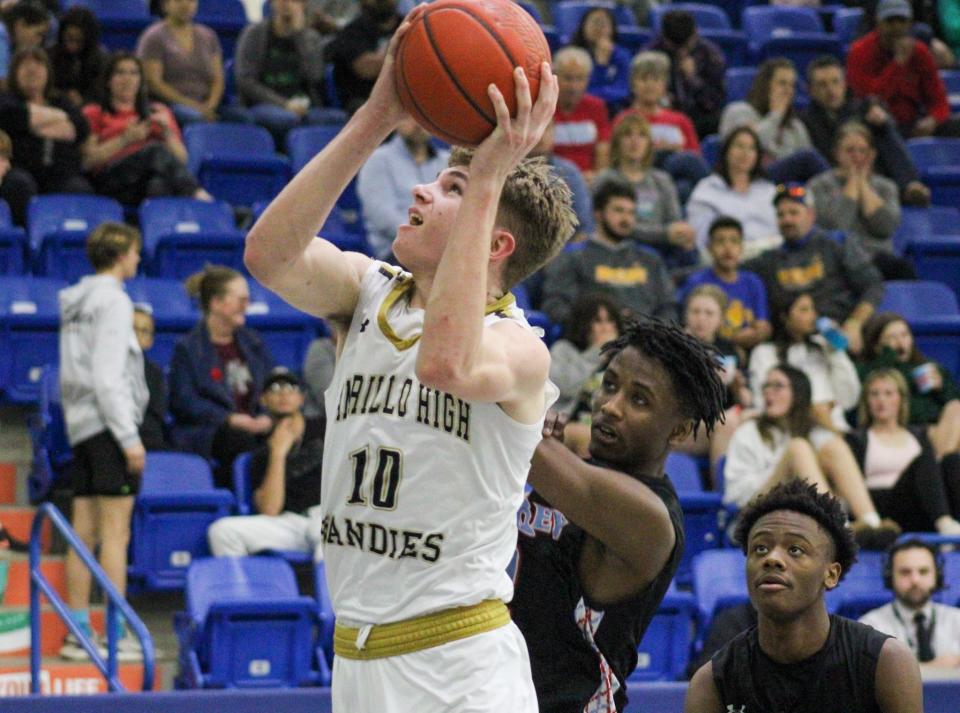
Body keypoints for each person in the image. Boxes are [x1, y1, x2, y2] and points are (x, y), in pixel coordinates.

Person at [243, 6, 575, 709]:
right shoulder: (367, 289)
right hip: (358, 658)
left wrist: (487, 177)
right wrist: (376, 116)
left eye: (451, 188)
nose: (423, 188)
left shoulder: (520, 351)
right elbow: (267, 256)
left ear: (497, 242)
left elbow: (445, 365)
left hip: (458, 661)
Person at [513, 318, 726, 712]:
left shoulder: (649, 516)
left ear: (678, 432)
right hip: (501, 692)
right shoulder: (576, 470)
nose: (611, 406)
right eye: (609, 385)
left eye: (639, 400)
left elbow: (515, 435)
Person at [685, 479, 923, 713]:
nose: (772, 559)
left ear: (831, 574)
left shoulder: (885, 662)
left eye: (795, 550)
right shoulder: (713, 682)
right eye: (760, 548)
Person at [58, 222, 148, 662]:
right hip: (109, 429)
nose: (138, 258)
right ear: (120, 254)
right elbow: (108, 376)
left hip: (80, 426)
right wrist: (129, 438)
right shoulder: (113, 301)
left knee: (83, 532)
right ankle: (116, 634)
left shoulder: (75, 302)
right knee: (115, 532)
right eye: (134, 252)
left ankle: (78, 632)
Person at [723, 364, 899, 547]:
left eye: (778, 386)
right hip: (757, 510)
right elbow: (736, 495)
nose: (769, 393)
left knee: (834, 446)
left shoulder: (814, 432)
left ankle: (873, 525)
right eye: (766, 386)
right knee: (798, 448)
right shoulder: (749, 431)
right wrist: (785, 474)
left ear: (798, 393)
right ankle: (840, 529)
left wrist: (827, 423)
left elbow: (839, 486)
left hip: (807, 515)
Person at [743, 182, 885, 355]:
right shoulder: (768, 260)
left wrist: (855, 324)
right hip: (790, 346)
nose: (787, 220)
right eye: (781, 215)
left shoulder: (837, 244)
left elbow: (873, 285)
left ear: (810, 215)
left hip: (840, 338)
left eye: (794, 213)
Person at [169, 266, 275, 489]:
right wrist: (228, 419)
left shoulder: (252, 342)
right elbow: (184, 401)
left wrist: (267, 415)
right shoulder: (188, 349)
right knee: (239, 439)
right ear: (216, 303)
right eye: (241, 299)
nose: (247, 305)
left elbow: (270, 383)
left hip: (256, 424)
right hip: (212, 431)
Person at [207, 367, 325, 558]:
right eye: (275, 388)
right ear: (263, 399)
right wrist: (278, 453)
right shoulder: (261, 453)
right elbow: (270, 510)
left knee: (323, 534)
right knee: (222, 532)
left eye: (290, 387)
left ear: (301, 398)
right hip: (292, 523)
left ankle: (326, 589)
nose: (283, 393)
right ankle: (244, 588)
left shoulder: (325, 428)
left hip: (330, 516)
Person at [541, 177, 677, 327]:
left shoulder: (650, 259)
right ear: (598, 214)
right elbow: (555, 306)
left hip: (644, 343)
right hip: (591, 343)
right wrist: (594, 326)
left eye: (631, 212)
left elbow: (668, 308)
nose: (626, 219)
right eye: (618, 210)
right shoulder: (574, 257)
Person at [800, 54, 931, 207]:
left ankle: (910, 186)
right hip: (836, 184)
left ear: (844, 84)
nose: (831, 90)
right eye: (822, 85)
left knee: (883, 126)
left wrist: (884, 121)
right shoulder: (805, 120)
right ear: (811, 90)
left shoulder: (864, 108)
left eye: (836, 82)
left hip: (873, 179)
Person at [81, 52, 210, 206]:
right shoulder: (94, 112)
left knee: (158, 184)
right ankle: (201, 198)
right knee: (153, 151)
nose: (127, 79)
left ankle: (163, 228)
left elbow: (181, 160)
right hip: (111, 181)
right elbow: (87, 162)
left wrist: (167, 133)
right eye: (120, 72)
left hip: (144, 185)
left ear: (140, 80)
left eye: (134, 73)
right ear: (108, 80)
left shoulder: (158, 111)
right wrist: (125, 140)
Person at [846, 369, 960, 534]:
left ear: (900, 398)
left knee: (952, 460)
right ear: (866, 401)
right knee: (923, 461)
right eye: (874, 394)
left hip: (923, 505)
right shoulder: (857, 439)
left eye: (888, 393)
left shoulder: (918, 435)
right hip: (884, 507)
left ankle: (950, 524)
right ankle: (944, 524)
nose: (881, 400)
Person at [806, 121, 914, 280]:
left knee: (902, 268)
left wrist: (862, 184)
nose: (857, 156)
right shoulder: (818, 186)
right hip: (837, 259)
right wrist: (852, 184)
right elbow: (837, 226)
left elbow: (886, 227)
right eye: (850, 150)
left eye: (863, 151)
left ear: (872, 155)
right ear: (837, 153)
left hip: (878, 258)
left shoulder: (886, 187)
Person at [593, 113, 696, 271]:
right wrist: (663, 234)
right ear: (617, 143)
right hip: (620, 245)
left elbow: (674, 223)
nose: (635, 141)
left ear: (649, 143)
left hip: (662, 248)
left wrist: (680, 234)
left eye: (641, 136)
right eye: (627, 135)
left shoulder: (661, 179)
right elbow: (616, 226)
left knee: (689, 250)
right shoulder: (606, 180)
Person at [748, 292, 861, 434]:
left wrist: (836, 351)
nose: (812, 316)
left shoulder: (825, 348)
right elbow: (762, 402)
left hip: (833, 426)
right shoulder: (764, 352)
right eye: (804, 310)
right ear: (784, 316)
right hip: (787, 430)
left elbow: (849, 400)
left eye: (813, 310)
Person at [847, 0, 960, 137]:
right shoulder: (859, 51)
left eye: (901, 21)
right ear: (878, 22)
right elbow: (870, 98)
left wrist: (933, 119)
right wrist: (898, 64)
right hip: (877, 123)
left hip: (914, 122)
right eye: (890, 21)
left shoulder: (919, 51)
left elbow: (938, 99)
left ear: (910, 23)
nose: (896, 27)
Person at [860, 312, 960, 460]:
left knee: (955, 407)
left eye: (904, 335)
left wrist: (942, 388)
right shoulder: (873, 372)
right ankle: (940, 469)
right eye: (891, 338)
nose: (901, 343)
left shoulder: (929, 367)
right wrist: (888, 354)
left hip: (940, 429)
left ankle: (940, 466)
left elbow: (953, 399)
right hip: (904, 428)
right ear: (877, 346)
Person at [677, 285, 751, 476]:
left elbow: (746, 401)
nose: (701, 319)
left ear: (720, 319)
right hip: (683, 424)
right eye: (695, 312)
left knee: (744, 419)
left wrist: (738, 387)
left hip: (723, 420)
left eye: (709, 313)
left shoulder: (729, 350)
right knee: (727, 424)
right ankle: (723, 494)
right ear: (686, 315)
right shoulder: (673, 346)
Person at [0, 47, 93, 196]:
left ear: (48, 73)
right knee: (19, 185)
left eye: (38, 65)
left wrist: (32, 124)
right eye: (25, 65)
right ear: (14, 73)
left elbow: (80, 127)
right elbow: (12, 116)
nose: (32, 70)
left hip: (62, 173)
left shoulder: (61, 101)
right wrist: (62, 118)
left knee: (79, 189)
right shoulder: (6, 100)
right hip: (18, 169)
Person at [234, 0, 331, 143]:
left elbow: (315, 76)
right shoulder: (254, 34)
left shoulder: (311, 38)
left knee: (337, 118)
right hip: (264, 103)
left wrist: (300, 35)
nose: (286, 4)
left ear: (303, 5)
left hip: (304, 104)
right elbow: (245, 81)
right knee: (286, 118)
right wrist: (284, 104)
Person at [356, 115, 450, 260]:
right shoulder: (378, 160)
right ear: (396, 121)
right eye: (409, 116)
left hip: (443, 247)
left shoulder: (447, 161)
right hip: (394, 252)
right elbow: (383, 218)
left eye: (424, 116)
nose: (418, 123)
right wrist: (427, 239)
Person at [860, 539, 960, 669]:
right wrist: (936, 668)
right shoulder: (871, 627)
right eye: (905, 572)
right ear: (890, 577)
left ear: (937, 575)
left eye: (923, 571)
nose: (915, 580)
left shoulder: (957, 621)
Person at [136, 0, 234, 127]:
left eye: (191, 1)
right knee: (194, 118)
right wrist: (194, 106)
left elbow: (218, 78)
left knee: (243, 119)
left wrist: (210, 105)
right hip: (171, 104)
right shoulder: (153, 37)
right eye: (178, 1)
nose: (186, 5)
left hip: (207, 103)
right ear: (165, 5)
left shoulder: (208, 35)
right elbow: (154, 83)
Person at [680, 216, 772, 351]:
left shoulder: (753, 282)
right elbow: (686, 326)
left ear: (741, 247)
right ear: (709, 248)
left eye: (734, 241)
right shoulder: (696, 282)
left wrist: (757, 334)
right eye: (720, 241)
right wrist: (730, 342)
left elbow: (763, 327)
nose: (728, 248)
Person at [686, 126, 780, 258]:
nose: (745, 153)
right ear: (726, 152)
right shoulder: (707, 190)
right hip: (729, 258)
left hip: (772, 254)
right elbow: (701, 240)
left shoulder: (768, 189)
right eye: (739, 146)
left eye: (751, 148)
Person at [646, 8, 726, 139]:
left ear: (694, 34)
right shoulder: (651, 54)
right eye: (676, 48)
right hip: (661, 112)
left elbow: (714, 102)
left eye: (686, 46)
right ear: (665, 38)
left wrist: (693, 79)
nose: (681, 52)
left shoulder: (711, 55)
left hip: (699, 116)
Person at [548, 293, 624, 417]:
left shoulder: (623, 358)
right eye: (598, 321)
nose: (606, 328)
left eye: (610, 321)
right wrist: (597, 352)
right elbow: (566, 388)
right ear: (584, 323)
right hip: (568, 420)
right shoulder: (563, 350)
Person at [325, 0, 401, 115]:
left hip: (403, 96)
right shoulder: (352, 32)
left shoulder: (408, 24)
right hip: (364, 101)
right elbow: (366, 68)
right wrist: (407, 55)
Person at [528, 119, 594, 244]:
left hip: (563, 253)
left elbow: (585, 226)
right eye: (534, 128)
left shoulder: (569, 173)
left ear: (553, 133)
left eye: (546, 129)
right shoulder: (506, 171)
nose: (540, 135)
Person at [552, 46, 611, 180]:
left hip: (588, 180)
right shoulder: (545, 106)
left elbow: (603, 148)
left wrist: (598, 176)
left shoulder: (597, 106)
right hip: (551, 180)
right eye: (568, 78)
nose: (574, 86)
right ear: (555, 76)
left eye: (579, 79)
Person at [569, 6, 632, 113]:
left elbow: (623, 91)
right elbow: (573, 90)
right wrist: (600, 65)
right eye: (594, 22)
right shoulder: (572, 56)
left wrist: (601, 64)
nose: (599, 28)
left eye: (603, 24)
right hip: (578, 108)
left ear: (612, 28)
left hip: (613, 108)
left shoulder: (622, 55)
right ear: (583, 26)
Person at [47, 6, 108, 108]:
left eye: (79, 41)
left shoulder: (101, 60)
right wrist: (61, 96)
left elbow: (103, 94)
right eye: (69, 38)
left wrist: (84, 101)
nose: (73, 46)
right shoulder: (49, 55)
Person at [133, 306, 169, 452]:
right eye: (131, 329)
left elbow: (155, 417)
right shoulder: (103, 368)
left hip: (147, 441)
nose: (135, 335)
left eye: (144, 331)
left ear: (150, 341)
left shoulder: (154, 373)